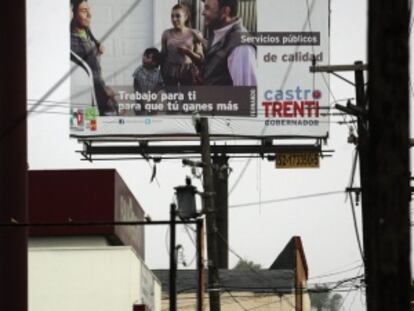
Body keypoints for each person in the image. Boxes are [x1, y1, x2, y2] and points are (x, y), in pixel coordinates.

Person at [70, 0, 118, 116]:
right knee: (92, 127)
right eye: (84, 11)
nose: (90, 15)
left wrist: (96, 50)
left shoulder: (86, 37)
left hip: (90, 99)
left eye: (89, 10)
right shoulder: (76, 43)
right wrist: (107, 93)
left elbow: (93, 69)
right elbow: (94, 77)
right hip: (93, 100)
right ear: (72, 14)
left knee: (88, 127)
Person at [202, 0, 257, 86]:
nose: (203, 12)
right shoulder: (217, 30)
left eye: (207, 8)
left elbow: (245, 94)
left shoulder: (242, 46)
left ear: (225, 12)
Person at [161, 4, 205, 86]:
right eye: (172, 16)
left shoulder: (195, 34)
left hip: (188, 72)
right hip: (170, 71)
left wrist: (188, 52)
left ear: (186, 17)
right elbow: (163, 54)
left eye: (178, 16)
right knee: (171, 97)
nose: (174, 19)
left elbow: (201, 59)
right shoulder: (166, 34)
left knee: (188, 97)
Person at [132, 48, 164, 114]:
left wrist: (154, 93)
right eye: (144, 55)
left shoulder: (158, 72)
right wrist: (138, 94)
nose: (144, 58)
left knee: (153, 111)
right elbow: (136, 83)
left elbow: (160, 84)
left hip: (152, 98)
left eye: (147, 57)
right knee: (139, 110)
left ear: (154, 62)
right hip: (140, 96)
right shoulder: (139, 70)